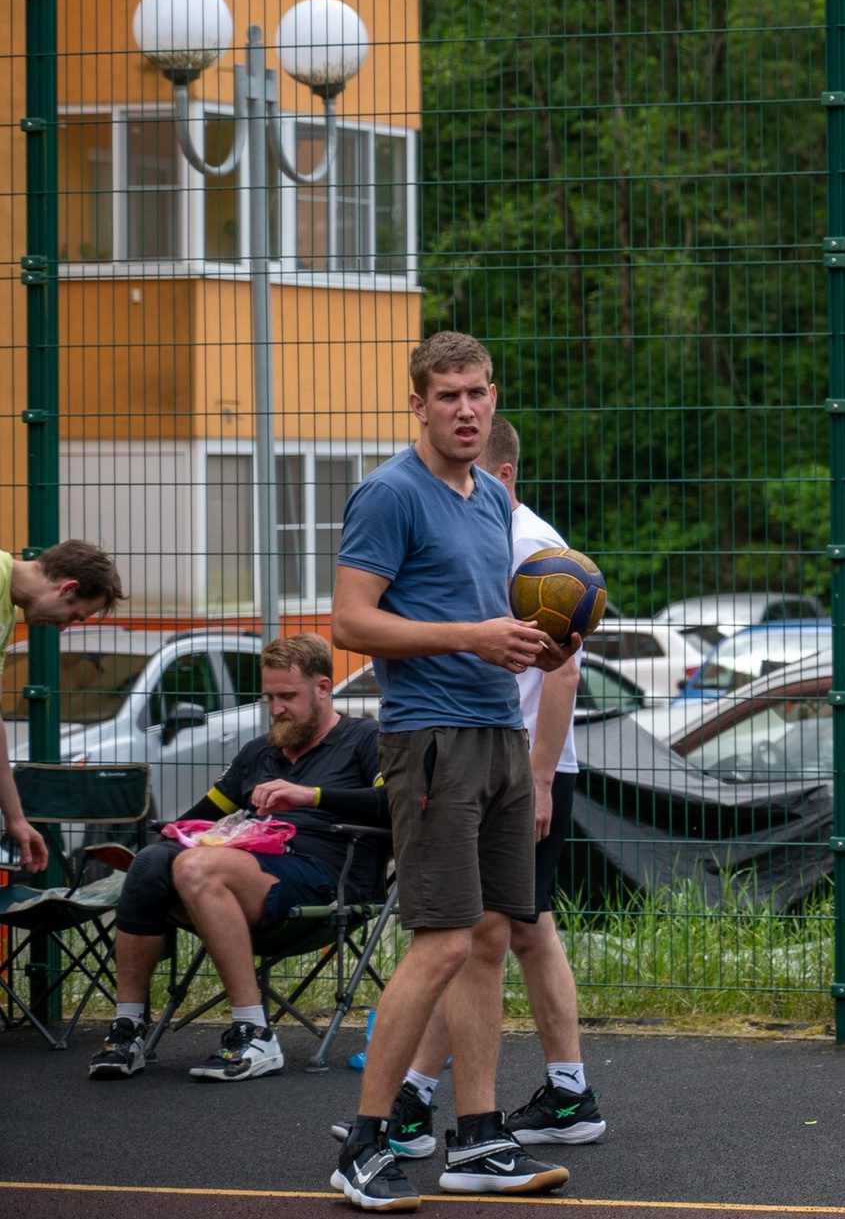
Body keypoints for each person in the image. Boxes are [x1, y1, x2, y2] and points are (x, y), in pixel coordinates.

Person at [327, 332, 571, 1210]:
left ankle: (476, 1136)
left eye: (478, 393)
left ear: (494, 397)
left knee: (492, 937)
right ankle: (365, 1141)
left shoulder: (489, 501)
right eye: (447, 396)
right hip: (431, 740)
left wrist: (542, 639)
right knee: (438, 940)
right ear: (418, 405)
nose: (466, 409)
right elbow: (350, 624)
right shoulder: (391, 492)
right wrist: (472, 636)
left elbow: (492, 617)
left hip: (499, 735)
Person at [86, 633, 384, 1083]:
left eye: (289, 696)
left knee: (195, 866)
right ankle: (128, 1027)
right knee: (152, 860)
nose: (277, 708)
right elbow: (201, 817)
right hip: (245, 871)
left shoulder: (365, 738)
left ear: (323, 688)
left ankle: (255, 1031)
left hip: (329, 877)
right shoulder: (259, 753)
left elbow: (395, 805)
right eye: (269, 697)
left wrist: (311, 795)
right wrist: (165, 842)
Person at [0, 540, 128, 875]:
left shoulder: (5, 612)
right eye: (73, 616)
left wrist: (15, 818)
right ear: (66, 588)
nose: (62, 627)